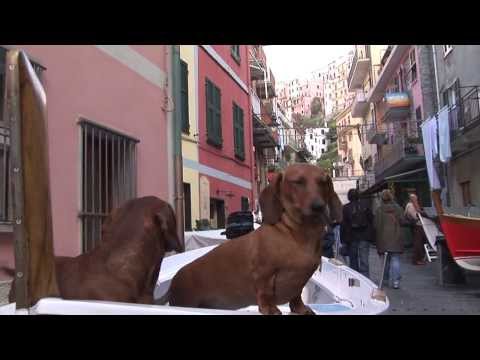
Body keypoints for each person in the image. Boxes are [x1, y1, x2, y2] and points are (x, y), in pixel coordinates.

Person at [374, 189, 406, 289]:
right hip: (396, 237)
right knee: (395, 259)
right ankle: (396, 282)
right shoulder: (398, 208)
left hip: (383, 238)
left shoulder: (379, 210)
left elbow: (376, 225)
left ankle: (385, 280)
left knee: (385, 261)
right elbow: (402, 221)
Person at [340, 189, 374, 278]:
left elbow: (343, 225)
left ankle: (355, 280)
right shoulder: (365, 206)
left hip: (351, 237)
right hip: (364, 236)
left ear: (349, 197)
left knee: (353, 260)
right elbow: (371, 220)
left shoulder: (345, 208)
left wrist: (343, 240)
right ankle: (366, 280)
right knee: (364, 259)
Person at [404, 193, 428, 265]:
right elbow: (415, 216)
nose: (416, 200)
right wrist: (422, 213)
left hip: (418, 225)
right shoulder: (410, 205)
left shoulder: (413, 205)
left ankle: (419, 258)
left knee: (419, 242)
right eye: (415, 199)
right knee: (418, 243)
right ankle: (417, 259)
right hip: (417, 225)